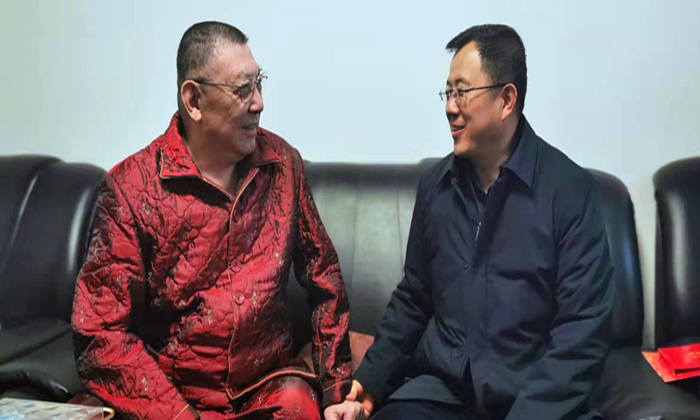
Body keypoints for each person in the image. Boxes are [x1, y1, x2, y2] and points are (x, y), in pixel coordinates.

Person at [72, 21, 363, 420]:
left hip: (267, 390)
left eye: (259, 83)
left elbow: (324, 277)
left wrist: (335, 389)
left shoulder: (283, 165)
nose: (259, 102)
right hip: (170, 399)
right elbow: (99, 332)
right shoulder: (131, 190)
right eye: (243, 89)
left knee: (299, 404)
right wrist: (177, 415)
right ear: (194, 100)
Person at [347, 24, 614, 420]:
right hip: (443, 396)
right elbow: (414, 300)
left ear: (506, 100)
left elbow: (582, 331)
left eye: (462, 92)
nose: (450, 107)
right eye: (448, 93)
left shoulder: (571, 192)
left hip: (533, 401)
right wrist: (368, 384)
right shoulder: (435, 187)